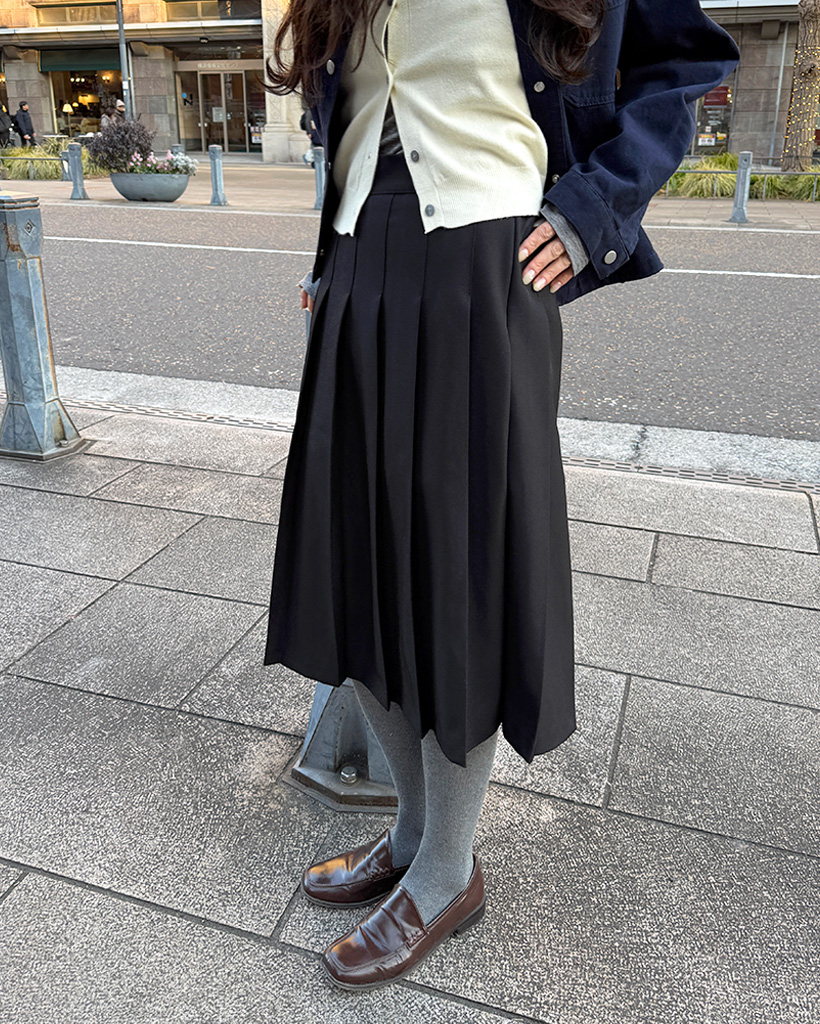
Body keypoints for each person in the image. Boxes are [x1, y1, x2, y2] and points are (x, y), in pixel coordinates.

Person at [264, 0, 739, 992]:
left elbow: (683, 63)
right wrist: (334, 254)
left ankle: (447, 872)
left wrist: (593, 211)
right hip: (359, 255)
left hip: (485, 266)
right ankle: (411, 833)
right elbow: (353, 99)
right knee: (357, 564)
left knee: (458, 573)